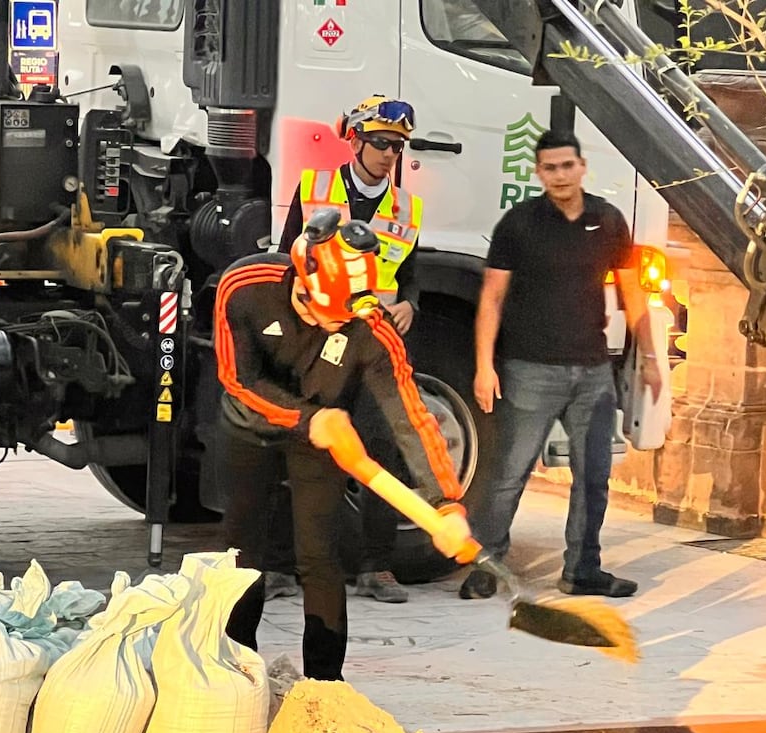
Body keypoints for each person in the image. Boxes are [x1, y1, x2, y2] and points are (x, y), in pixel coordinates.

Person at [214, 207, 469, 681]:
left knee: (320, 555)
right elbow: (236, 378)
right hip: (252, 425)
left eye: (342, 316)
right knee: (242, 551)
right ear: (301, 279)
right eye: (322, 313)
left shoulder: (370, 327)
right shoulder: (245, 288)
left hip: (326, 438)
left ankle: (325, 685)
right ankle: (234, 671)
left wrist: (445, 501)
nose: (333, 325)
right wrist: (307, 418)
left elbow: (410, 415)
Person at [459, 128, 663, 601]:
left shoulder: (608, 220)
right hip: (530, 370)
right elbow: (491, 298)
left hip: (593, 371)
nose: (560, 175)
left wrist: (648, 356)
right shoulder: (519, 224)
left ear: (582, 167)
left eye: (567, 165)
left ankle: (582, 570)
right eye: (550, 168)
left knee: (593, 476)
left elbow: (633, 295)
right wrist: (484, 366)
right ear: (539, 173)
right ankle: (486, 564)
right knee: (509, 474)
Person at [268, 94, 423, 604]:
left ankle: (377, 568)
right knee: (302, 451)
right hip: (316, 343)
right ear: (355, 140)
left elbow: (410, 276)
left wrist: (411, 307)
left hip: (374, 348)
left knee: (383, 453)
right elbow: (288, 260)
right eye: (380, 143)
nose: (388, 154)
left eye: (397, 147)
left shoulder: (406, 207)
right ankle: (281, 566)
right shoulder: (314, 189)